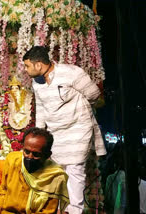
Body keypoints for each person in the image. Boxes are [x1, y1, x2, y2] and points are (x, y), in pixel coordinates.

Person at [23, 46, 106, 213]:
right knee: (58, 174)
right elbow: (41, 109)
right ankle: (61, 210)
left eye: (27, 66)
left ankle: (74, 211)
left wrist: (75, 111)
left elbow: (94, 94)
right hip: (55, 134)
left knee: (75, 171)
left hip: (78, 130)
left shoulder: (72, 72)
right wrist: (40, 136)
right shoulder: (36, 82)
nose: (26, 70)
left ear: (38, 65)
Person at [0, 127, 69, 214]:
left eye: (36, 154)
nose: (30, 157)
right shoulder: (13, 160)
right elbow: (3, 189)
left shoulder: (55, 177)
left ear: (47, 155)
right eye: (27, 152)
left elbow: (48, 212)